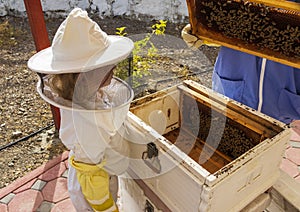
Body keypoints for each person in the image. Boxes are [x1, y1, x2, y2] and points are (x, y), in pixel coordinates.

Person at [28, 8, 135, 211]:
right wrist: (107, 207)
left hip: (94, 172)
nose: (112, 68)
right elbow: (91, 178)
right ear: (84, 77)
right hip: (95, 186)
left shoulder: (78, 97)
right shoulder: (89, 125)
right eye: (104, 65)